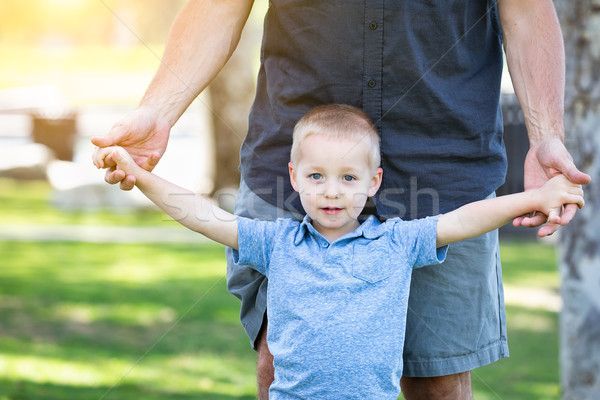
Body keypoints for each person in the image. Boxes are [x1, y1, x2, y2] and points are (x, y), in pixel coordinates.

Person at [92, 1, 592, 398]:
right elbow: (199, 213)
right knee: (278, 363)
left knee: (438, 382)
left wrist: (544, 147)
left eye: (347, 182)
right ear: (300, 175)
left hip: (444, 158)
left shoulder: (406, 240)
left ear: (372, 180)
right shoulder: (278, 240)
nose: (333, 193)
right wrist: (155, 121)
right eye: (319, 182)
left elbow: (526, 9)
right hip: (286, 138)